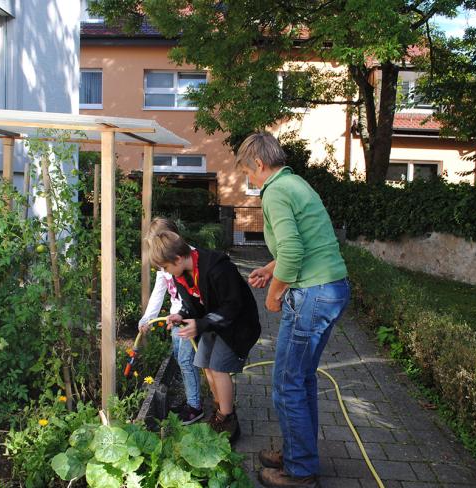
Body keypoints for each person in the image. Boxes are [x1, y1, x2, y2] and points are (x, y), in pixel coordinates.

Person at [236, 132, 350, 488]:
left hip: (312, 295)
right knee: (301, 380)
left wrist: (273, 294)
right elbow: (306, 241)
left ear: (258, 162)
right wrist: (272, 269)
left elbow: (295, 252)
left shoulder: (275, 192)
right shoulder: (295, 183)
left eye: (247, 172)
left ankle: (300, 471)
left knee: (286, 383)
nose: (248, 180)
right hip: (331, 288)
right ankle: (299, 452)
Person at [148, 230, 261, 443]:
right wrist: (181, 315)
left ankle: (227, 419)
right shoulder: (179, 275)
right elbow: (191, 305)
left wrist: (200, 324)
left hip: (236, 324)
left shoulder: (218, 268)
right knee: (205, 364)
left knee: (218, 368)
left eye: (165, 266)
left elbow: (233, 305)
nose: (165, 271)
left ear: (178, 258)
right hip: (211, 323)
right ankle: (220, 410)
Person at [138, 218, 204, 425]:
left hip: (190, 316)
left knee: (185, 360)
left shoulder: (187, 257)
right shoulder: (164, 267)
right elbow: (159, 293)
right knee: (179, 357)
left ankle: (195, 406)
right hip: (175, 316)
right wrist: (147, 318)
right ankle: (192, 398)